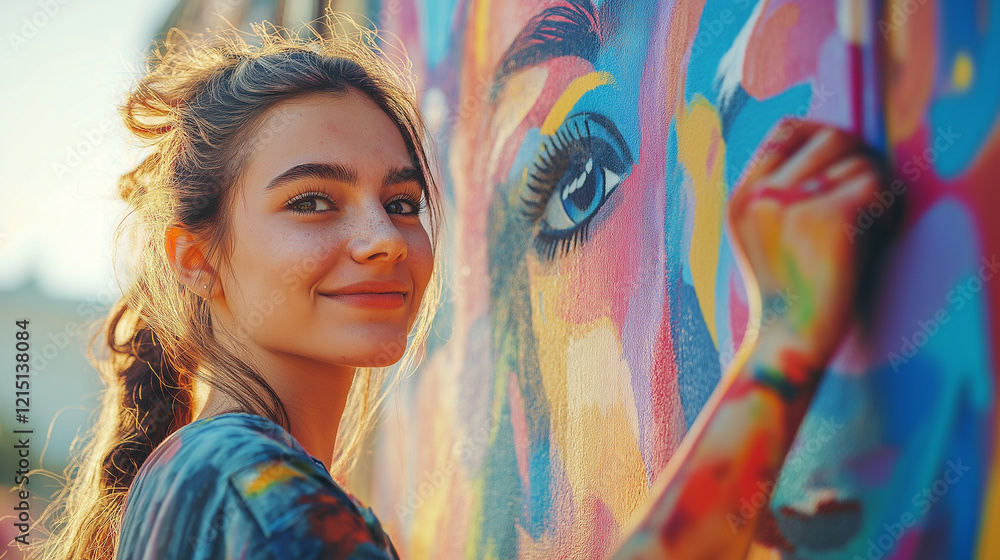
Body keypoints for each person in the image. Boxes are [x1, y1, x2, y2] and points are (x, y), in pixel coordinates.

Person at [27, 16, 890, 560]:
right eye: (313, 201)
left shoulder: (208, 476)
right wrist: (785, 336)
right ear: (197, 258)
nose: (381, 242)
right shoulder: (251, 494)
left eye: (402, 202)